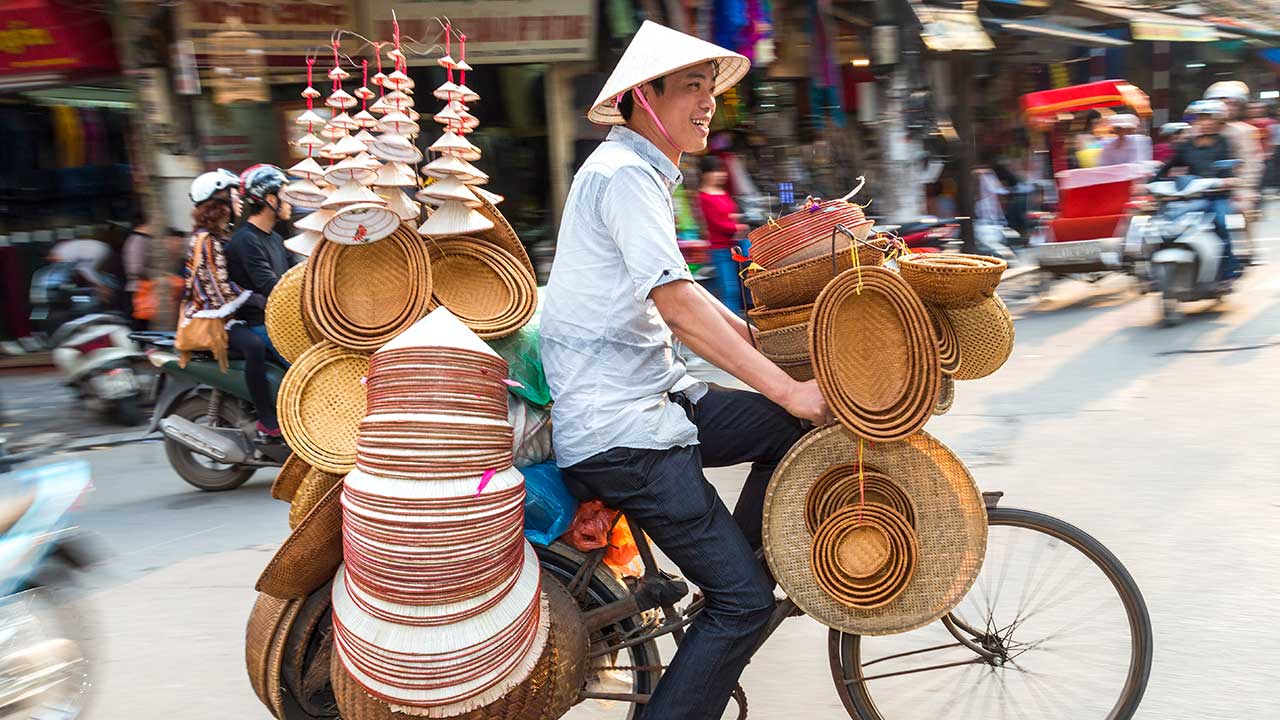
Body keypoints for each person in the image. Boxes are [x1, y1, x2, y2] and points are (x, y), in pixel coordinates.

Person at [540, 21, 830, 720]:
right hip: (625, 431)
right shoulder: (622, 176)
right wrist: (787, 382)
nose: (707, 103)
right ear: (645, 96)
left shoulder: (640, 172)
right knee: (744, 605)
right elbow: (676, 307)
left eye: (710, 88)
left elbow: (691, 296)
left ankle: (732, 578)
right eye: (691, 88)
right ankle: (732, 601)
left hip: (657, 402)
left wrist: (776, 351)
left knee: (793, 429)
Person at [182, 169, 281, 437]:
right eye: (232, 197)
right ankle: (266, 418)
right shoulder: (205, 241)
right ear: (218, 203)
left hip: (225, 314)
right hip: (211, 317)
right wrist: (254, 298)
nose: (239, 202)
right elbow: (216, 288)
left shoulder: (219, 238)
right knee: (255, 346)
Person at [1157, 100, 1241, 280]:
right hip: (1192, 196)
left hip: (1216, 195)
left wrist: (1228, 180)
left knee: (1221, 224)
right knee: (1163, 225)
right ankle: (1157, 274)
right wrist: (1151, 182)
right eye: (1202, 118)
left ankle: (1228, 272)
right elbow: (1169, 166)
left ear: (1218, 121)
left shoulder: (1223, 143)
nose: (1207, 122)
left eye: (1210, 118)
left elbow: (1228, 168)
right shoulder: (1186, 145)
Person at [225, 164, 296, 363]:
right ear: (271, 199)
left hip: (283, 321)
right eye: (286, 195)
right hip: (262, 324)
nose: (290, 202)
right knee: (304, 370)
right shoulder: (246, 240)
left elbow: (293, 276)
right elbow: (272, 287)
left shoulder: (275, 238)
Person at [696, 154, 748, 315]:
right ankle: (732, 323)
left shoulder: (721, 192)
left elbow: (729, 214)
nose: (720, 174)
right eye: (714, 171)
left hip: (734, 247)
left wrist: (736, 223)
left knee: (737, 289)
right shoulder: (703, 196)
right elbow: (716, 222)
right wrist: (736, 227)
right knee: (729, 289)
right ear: (705, 174)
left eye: (720, 170)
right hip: (720, 249)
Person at [122, 211, 154, 329]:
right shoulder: (138, 240)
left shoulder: (143, 239)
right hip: (140, 291)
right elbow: (135, 268)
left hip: (144, 290)